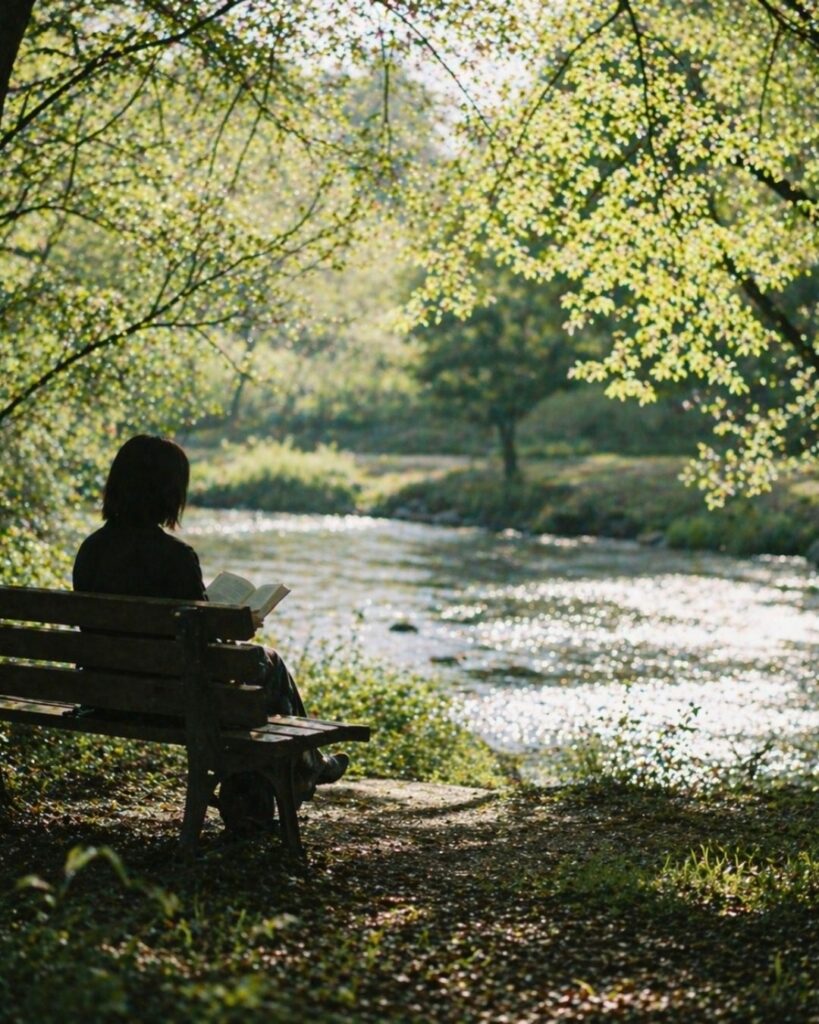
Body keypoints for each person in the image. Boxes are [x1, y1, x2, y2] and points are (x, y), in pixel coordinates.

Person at [72, 434, 348, 827]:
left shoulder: (91, 550)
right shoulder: (176, 557)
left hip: (105, 694)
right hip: (172, 699)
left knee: (248, 686)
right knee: (264, 669)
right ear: (169, 492)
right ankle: (294, 776)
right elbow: (203, 645)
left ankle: (271, 789)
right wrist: (243, 624)